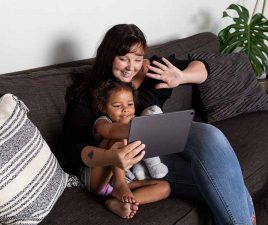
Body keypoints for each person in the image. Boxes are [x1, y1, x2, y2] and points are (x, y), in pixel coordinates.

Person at [64, 24, 256, 225]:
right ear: (108, 56)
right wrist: (116, 152)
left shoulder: (153, 69)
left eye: (137, 59)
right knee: (232, 190)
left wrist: (182, 77)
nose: (131, 66)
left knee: (216, 148)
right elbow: (73, 149)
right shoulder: (90, 92)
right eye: (123, 59)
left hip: (160, 155)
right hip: (122, 166)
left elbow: (205, 68)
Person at [79, 78, 169, 219]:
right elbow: (108, 131)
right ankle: (120, 185)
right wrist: (142, 128)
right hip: (98, 178)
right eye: (117, 105)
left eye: (130, 104)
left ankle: (119, 203)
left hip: (123, 186)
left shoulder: (136, 120)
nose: (125, 109)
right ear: (103, 107)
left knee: (165, 188)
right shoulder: (102, 121)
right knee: (118, 140)